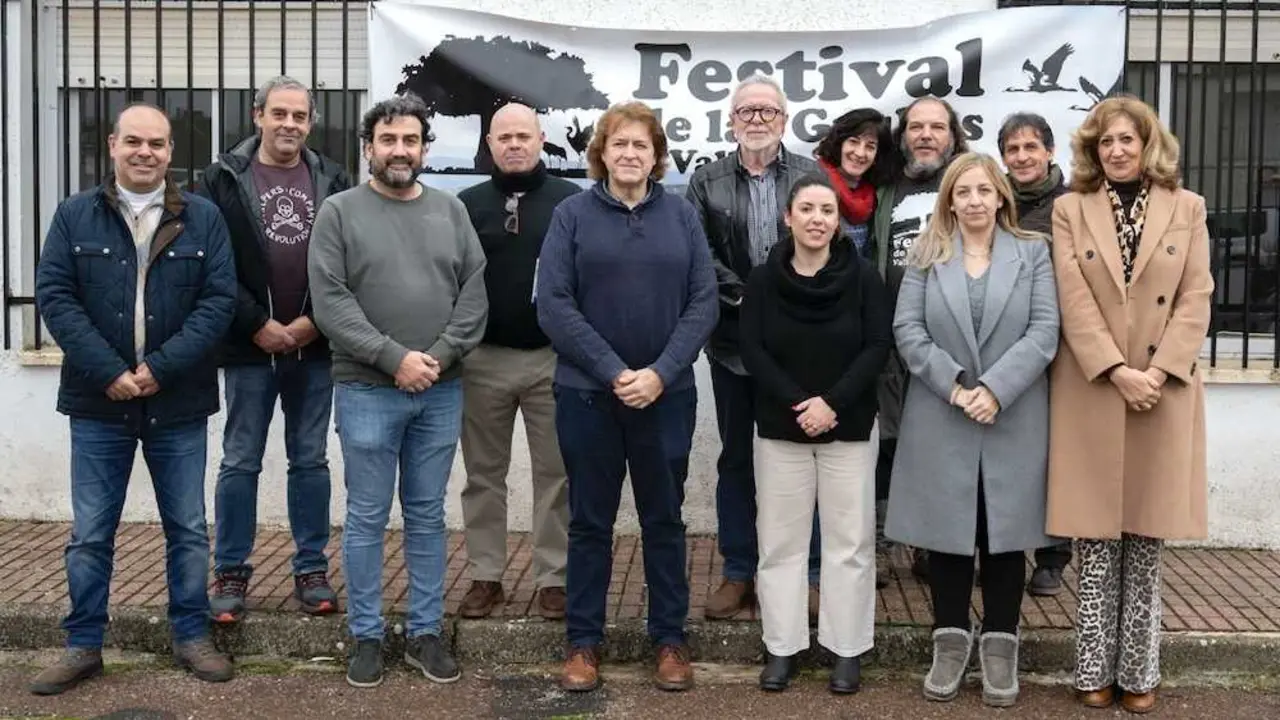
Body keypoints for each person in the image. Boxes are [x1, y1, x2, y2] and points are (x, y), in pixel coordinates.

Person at [30, 103, 237, 695]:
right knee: (91, 532)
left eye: (157, 144)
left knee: (188, 528)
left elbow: (218, 302)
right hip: (100, 402)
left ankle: (191, 635)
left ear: (171, 152)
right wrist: (111, 372)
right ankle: (83, 645)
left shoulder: (203, 217)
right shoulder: (74, 215)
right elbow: (55, 296)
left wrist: (158, 370)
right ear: (113, 145)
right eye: (134, 142)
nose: (145, 152)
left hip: (178, 400)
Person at [308, 94, 488, 689]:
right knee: (365, 517)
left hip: (439, 388)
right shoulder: (338, 212)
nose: (400, 150)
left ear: (425, 149)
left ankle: (425, 632)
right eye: (388, 140)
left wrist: (436, 359)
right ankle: (366, 635)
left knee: (427, 515)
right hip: (366, 389)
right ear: (368, 148)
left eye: (411, 140)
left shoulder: (451, 211)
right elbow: (331, 302)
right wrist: (394, 359)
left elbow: (474, 295)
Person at [537, 101, 718, 693]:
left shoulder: (682, 215)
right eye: (620, 144)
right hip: (588, 397)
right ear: (602, 152)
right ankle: (583, 643)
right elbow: (554, 304)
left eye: (642, 144)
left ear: (657, 154)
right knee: (589, 521)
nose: (631, 154)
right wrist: (615, 371)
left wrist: (661, 373)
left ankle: (669, 639)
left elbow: (703, 302)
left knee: (663, 520)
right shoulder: (571, 215)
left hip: (667, 396)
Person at [1047, 96, 1212, 715]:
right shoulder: (1070, 208)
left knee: (1146, 538)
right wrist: (1116, 370)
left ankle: (1140, 670)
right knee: (1095, 539)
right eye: (1105, 142)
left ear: (1148, 145)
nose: (1116, 151)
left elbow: (1196, 295)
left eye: (1127, 140)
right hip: (1095, 385)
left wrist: (1158, 371)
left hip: (1161, 390)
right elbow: (1072, 297)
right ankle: (1092, 668)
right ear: (1093, 150)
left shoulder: (1188, 207)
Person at [885, 152, 1060, 708]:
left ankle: (1002, 645)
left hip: (1013, 413)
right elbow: (907, 329)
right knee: (948, 537)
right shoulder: (926, 253)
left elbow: (1045, 330)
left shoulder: (1032, 253)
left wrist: (995, 389)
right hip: (944, 412)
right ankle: (950, 642)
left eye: (984, 190)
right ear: (950, 201)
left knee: (1005, 536)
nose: (975, 200)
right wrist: (957, 387)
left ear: (1001, 197)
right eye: (963, 192)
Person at [200, 75, 352, 623]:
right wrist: (257, 324)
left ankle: (311, 569)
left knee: (310, 460)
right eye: (279, 113)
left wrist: (315, 323)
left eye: (300, 116)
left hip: (314, 348)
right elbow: (211, 264)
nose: (290, 124)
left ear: (310, 123)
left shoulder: (334, 178)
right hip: (249, 348)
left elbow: (350, 261)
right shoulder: (221, 178)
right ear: (258, 114)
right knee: (240, 460)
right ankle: (230, 572)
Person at [739, 174, 891, 695]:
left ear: (838, 221)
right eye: (806, 208)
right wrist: (799, 405)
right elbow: (753, 350)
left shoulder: (864, 277)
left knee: (849, 543)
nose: (817, 219)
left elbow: (877, 347)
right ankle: (782, 647)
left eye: (827, 210)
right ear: (788, 217)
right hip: (781, 430)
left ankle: (846, 649)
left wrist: (832, 404)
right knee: (780, 543)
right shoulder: (763, 279)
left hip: (848, 428)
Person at [686, 74, 822, 622]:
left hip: (800, 346)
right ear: (731, 121)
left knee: (803, 459)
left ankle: (808, 573)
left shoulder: (811, 175)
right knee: (738, 460)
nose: (757, 119)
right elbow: (698, 254)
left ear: (784, 121)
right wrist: (749, 297)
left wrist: (784, 303)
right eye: (747, 111)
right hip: (733, 345)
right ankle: (739, 571)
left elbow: (824, 245)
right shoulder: (706, 181)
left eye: (768, 111)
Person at [456, 103, 579, 620]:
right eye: (503, 137)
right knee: (483, 476)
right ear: (489, 143)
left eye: (522, 136)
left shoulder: (571, 202)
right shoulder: (464, 205)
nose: (513, 145)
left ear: (540, 139)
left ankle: (554, 578)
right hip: (482, 359)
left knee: (557, 475)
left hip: (552, 360)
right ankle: (486, 575)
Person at [871, 96, 969, 582]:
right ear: (903, 135)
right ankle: (882, 542)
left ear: (953, 135)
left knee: (944, 447)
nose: (926, 135)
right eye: (916, 127)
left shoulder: (968, 184)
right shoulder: (884, 188)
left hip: (950, 343)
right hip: (889, 341)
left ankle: (936, 546)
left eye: (937, 127)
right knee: (887, 445)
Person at [996, 111, 1073, 597]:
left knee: (1053, 453)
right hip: (1004, 346)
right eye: (1012, 149)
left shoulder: (1072, 206)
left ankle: (1053, 555)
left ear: (1049, 151)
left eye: (1030, 147)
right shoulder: (994, 203)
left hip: (1059, 346)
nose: (1022, 157)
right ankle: (1002, 550)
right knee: (1008, 452)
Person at [812, 107, 892, 259]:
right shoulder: (813, 183)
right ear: (840, 143)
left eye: (870, 146)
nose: (860, 153)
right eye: (853, 142)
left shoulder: (878, 195)